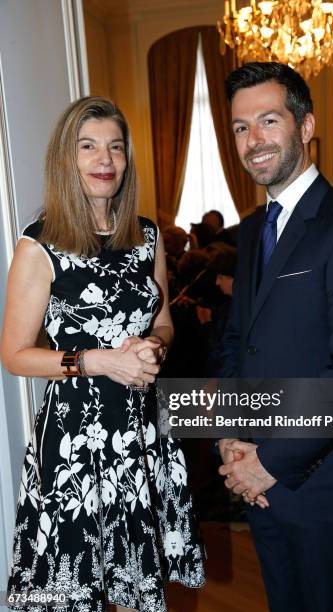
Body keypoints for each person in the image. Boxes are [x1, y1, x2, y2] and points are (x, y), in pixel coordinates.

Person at [1, 97, 205, 612]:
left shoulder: (146, 235)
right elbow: (15, 355)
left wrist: (153, 348)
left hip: (145, 433)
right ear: (65, 160)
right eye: (88, 146)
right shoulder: (38, 245)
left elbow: (163, 322)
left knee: (139, 589)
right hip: (75, 442)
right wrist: (98, 360)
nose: (105, 158)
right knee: (70, 590)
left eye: (115, 146)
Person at [217, 62, 333, 612]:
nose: (253, 140)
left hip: (316, 483)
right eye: (241, 128)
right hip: (255, 479)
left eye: (268, 121)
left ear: (306, 126)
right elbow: (235, 343)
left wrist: (270, 463)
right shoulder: (250, 230)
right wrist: (230, 435)